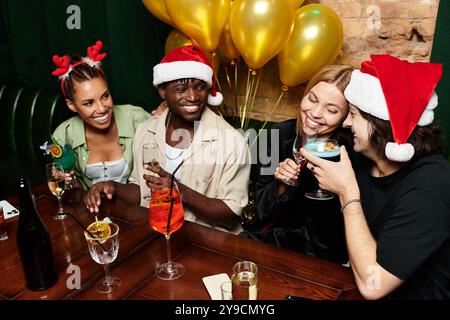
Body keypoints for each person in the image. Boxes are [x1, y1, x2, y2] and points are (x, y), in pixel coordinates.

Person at [301, 54, 450, 299]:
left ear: (380, 125)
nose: (346, 123)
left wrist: (347, 192)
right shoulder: (361, 160)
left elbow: (374, 285)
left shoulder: (431, 188)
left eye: (355, 115)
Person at [85, 45, 251, 234]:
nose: (193, 96)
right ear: (163, 91)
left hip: (207, 242)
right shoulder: (145, 131)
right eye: (181, 89)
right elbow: (143, 191)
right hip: (157, 233)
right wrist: (112, 187)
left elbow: (232, 215)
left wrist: (180, 191)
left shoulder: (231, 141)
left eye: (200, 87)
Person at [240, 64, 354, 264]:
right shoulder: (279, 133)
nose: (316, 113)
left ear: (346, 117)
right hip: (262, 242)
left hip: (313, 260)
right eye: (312, 98)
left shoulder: (347, 154)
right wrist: (280, 186)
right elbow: (255, 213)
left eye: (332, 110)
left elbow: (327, 242)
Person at [51, 41, 150, 190]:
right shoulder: (63, 135)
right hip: (91, 211)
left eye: (105, 96)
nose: (102, 108)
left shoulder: (137, 118)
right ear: (71, 105)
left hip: (134, 207)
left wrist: (166, 107)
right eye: (89, 103)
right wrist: (64, 179)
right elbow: (69, 188)